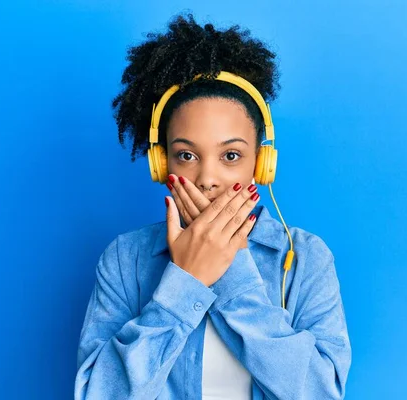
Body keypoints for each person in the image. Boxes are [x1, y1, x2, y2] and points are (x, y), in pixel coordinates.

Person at [74, 12, 351, 400]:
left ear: (261, 162)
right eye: (186, 155)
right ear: (161, 164)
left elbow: (321, 393)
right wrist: (184, 280)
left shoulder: (305, 259)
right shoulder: (125, 259)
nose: (207, 178)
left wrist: (231, 270)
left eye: (231, 156)